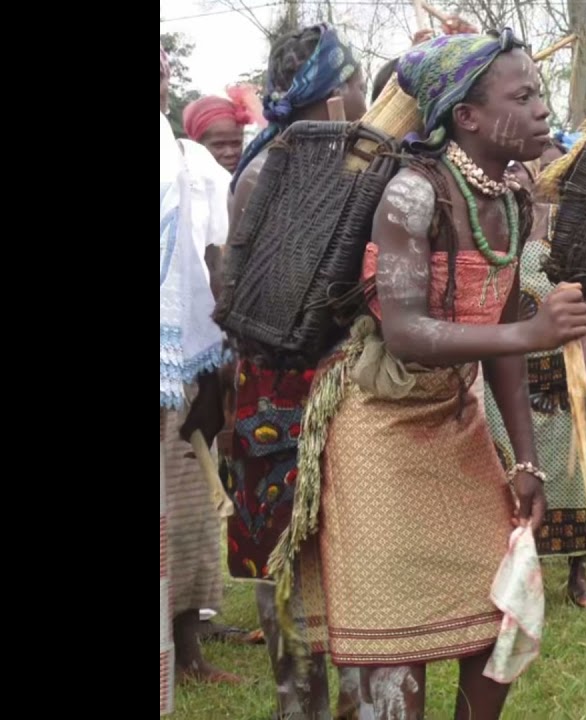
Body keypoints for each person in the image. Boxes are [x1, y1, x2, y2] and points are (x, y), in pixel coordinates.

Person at [274, 29, 586, 719]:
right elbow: (407, 329)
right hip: (379, 429)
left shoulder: (511, 198)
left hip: (455, 417)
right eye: (524, 95)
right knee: (391, 655)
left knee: (501, 603)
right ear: (468, 118)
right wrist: (534, 330)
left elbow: (501, 346)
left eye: (540, 93)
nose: (542, 109)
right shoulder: (412, 196)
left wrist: (528, 463)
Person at [221, 23, 368, 720]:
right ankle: (302, 701)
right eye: (358, 80)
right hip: (295, 389)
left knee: (292, 546)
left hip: (267, 389)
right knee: (291, 548)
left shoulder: (272, 163)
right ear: (334, 93)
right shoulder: (294, 170)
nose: (367, 93)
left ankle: (303, 700)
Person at [485, 141, 586, 610]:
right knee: (510, 472)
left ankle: (578, 575)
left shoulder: (573, 235)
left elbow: (583, 307)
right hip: (512, 376)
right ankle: (516, 572)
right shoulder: (497, 231)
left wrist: (582, 374)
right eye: (528, 171)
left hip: (565, 381)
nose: (534, 178)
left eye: (545, 171)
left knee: (576, 475)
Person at [160, 43, 241, 690]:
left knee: (183, 506)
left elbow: (212, 263)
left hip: (180, 364)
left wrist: (215, 360)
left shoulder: (192, 167)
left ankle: (186, 645)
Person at [181, 87, 264, 174]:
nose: (230, 153)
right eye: (219, 145)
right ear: (197, 144)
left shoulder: (254, 177)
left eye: (236, 144)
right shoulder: (183, 182)